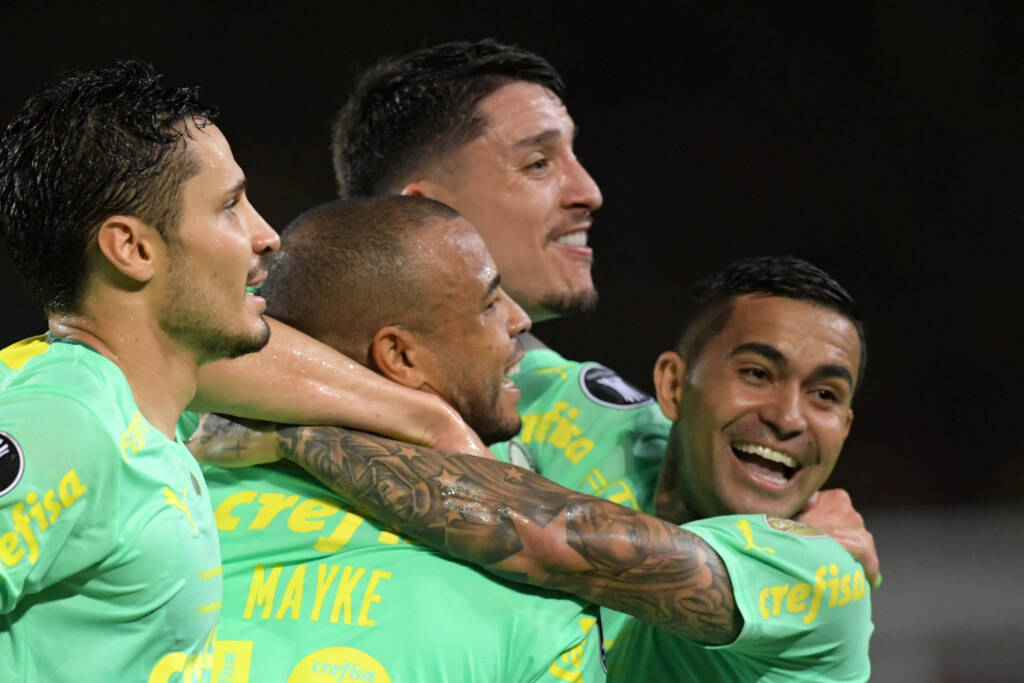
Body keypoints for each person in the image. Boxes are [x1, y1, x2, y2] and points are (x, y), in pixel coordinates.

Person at [195, 255, 873, 681]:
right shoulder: (582, 414)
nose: (789, 417)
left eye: (826, 395)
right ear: (672, 386)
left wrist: (299, 431)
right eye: (757, 373)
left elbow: (551, 539)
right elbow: (257, 325)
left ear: (845, 426)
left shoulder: (821, 577)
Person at [202, 196, 605, 681]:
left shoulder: (162, 486)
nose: (520, 320)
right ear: (401, 357)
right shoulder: (539, 614)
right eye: (490, 302)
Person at [0, 60, 280, 681]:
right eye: (230, 206)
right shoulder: (66, 421)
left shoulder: (136, 417)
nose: (266, 236)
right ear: (132, 248)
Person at [330, 39, 671, 483]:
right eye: (538, 163)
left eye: (574, 156)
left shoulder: (605, 423)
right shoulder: (250, 355)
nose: (589, 192)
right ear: (422, 211)